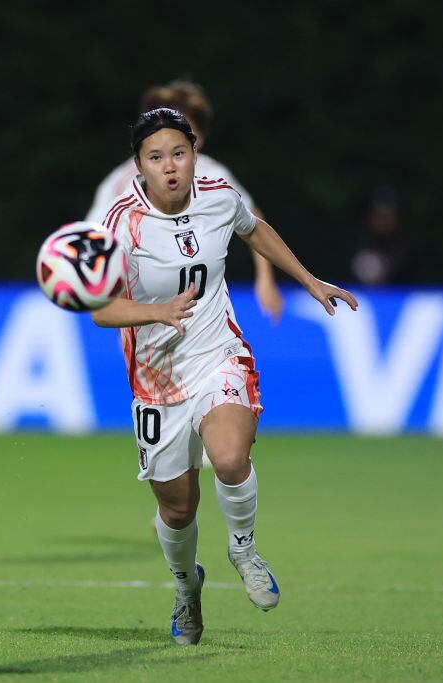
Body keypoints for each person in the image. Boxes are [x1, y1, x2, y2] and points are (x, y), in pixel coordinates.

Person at [92, 109, 357, 646]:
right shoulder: (122, 223)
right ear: (138, 165)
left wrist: (308, 280)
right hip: (157, 382)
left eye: (178, 153)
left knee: (232, 458)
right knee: (177, 507)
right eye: (155, 157)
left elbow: (254, 231)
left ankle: (243, 548)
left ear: (194, 155)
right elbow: (100, 309)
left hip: (219, 355)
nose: (170, 166)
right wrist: (156, 312)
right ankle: (187, 589)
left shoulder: (218, 196)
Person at [86, 80, 284, 322]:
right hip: (141, 300)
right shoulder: (121, 183)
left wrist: (265, 279)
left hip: (200, 302)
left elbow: (252, 217)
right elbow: (94, 237)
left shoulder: (212, 173)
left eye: (193, 131)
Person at [350, 185, 413, 285]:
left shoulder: (406, 245)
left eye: (388, 216)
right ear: (370, 215)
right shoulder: (356, 241)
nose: (384, 221)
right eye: (380, 215)